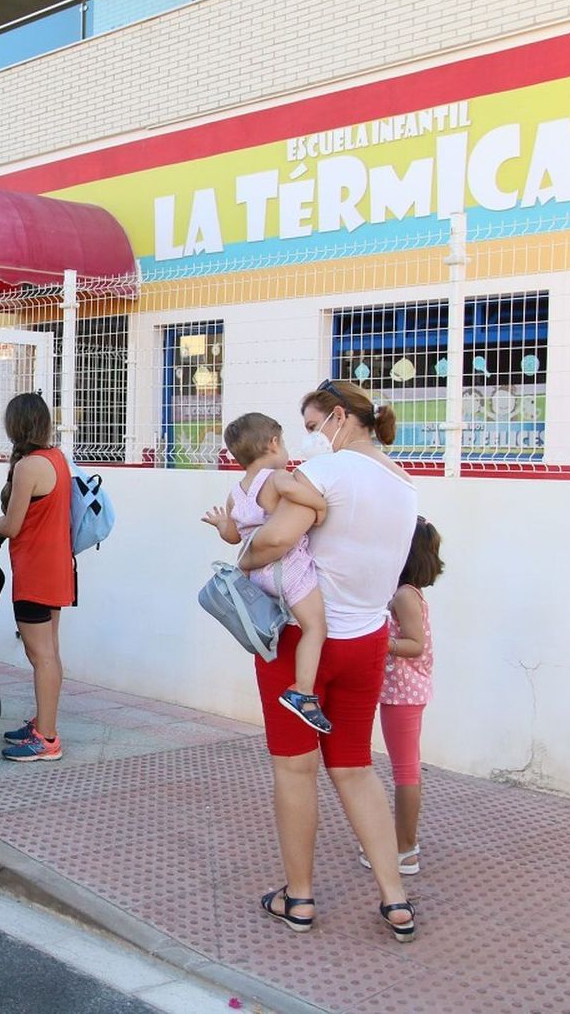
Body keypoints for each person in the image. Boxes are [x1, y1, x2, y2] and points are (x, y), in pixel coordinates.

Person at [239, 378, 419, 943]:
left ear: (340, 417)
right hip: (367, 639)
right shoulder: (404, 483)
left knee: (296, 769)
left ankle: (300, 897)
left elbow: (272, 541)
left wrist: (241, 553)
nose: (310, 439)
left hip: (301, 644)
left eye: (314, 426)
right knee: (356, 767)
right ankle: (395, 900)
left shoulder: (329, 472)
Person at [202, 413, 332, 734]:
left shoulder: (237, 492)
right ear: (273, 443)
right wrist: (321, 506)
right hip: (287, 569)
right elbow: (302, 495)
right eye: (284, 442)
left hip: (257, 576)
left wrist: (221, 524)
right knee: (315, 627)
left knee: (287, 624)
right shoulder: (276, 478)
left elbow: (234, 536)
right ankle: (303, 691)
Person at [0, 392, 73, 763]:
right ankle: (45, 725)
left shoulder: (29, 467)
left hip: (35, 570)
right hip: (58, 568)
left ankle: (46, 739)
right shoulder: (57, 458)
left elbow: (11, 526)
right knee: (50, 653)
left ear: (15, 425)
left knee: (40, 655)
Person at [360, 516, 444, 877]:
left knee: (406, 770)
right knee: (404, 768)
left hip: (404, 692)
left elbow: (415, 644)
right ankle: (402, 845)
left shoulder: (405, 596)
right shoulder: (405, 592)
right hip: (400, 690)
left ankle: (405, 850)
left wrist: (380, 643)